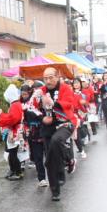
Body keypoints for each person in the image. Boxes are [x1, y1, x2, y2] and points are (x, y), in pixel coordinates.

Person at [39, 67, 77, 201]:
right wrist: (41, 118)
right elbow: (31, 109)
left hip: (65, 122)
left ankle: (68, 159)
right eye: (45, 78)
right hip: (48, 126)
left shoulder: (66, 88)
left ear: (57, 76)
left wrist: (54, 103)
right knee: (50, 159)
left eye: (50, 77)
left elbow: (69, 104)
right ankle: (55, 191)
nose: (48, 81)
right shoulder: (41, 91)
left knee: (56, 142)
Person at [0, 84, 26, 179]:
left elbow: (13, 119)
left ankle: (18, 172)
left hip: (14, 132)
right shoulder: (16, 104)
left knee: (13, 153)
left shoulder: (14, 105)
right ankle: (16, 171)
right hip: (17, 130)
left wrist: (1, 116)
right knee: (13, 153)